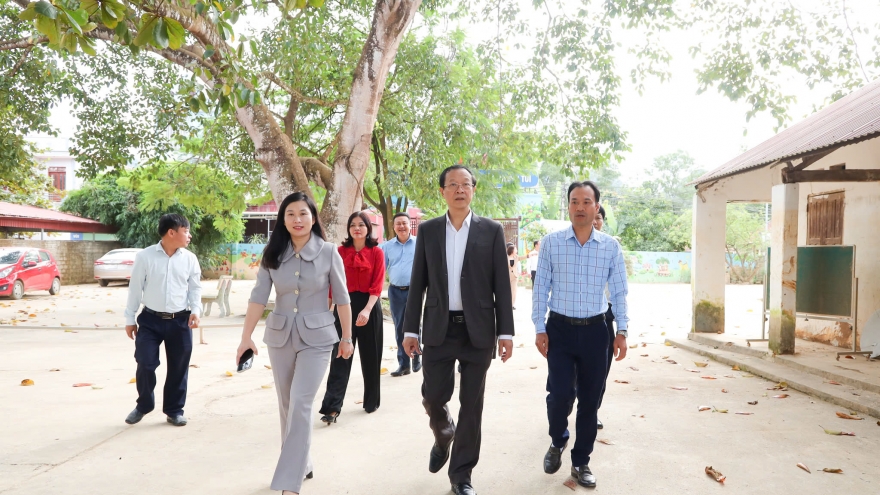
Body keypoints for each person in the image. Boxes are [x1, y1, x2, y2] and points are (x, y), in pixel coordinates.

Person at [401, 165, 515, 495]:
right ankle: (443, 433)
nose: (460, 189)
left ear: (473, 190)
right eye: (453, 184)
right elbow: (418, 282)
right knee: (433, 396)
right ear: (443, 192)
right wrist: (410, 330)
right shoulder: (429, 230)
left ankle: (461, 476)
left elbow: (501, 285)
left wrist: (505, 333)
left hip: (478, 331)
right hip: (439, 327)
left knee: (472, 405)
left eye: (466, 184)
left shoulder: (491, 230)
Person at [236, 192, 354, 495]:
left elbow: (342, 299)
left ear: (313, 218)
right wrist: (246, 337)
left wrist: (347, 337)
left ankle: (290, 482)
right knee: (287, 404)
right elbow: (258, 297)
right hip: (280, 335)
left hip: (318, 338)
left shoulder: (329, 252)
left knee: (301, 402)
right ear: (283, 220)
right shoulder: (272, 252)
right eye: (290, 214)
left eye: (303, 213)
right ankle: (303, 462)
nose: (297, 219)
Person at [533, 181, 629, 489]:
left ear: (596, 206)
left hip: (596, 332)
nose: (580, 207)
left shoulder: (610, 247)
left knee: (590, 400)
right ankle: (557, 439)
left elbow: (620, 292)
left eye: (586, 202)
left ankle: (581, 462)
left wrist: (622, 330)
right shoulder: (552, 243)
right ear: (568, 206)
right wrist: (539, 327)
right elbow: (540, 287)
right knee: (559, 395)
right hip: (559, 330)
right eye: (574, 201)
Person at [123, 213, 202, 427]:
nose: (189, 236)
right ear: (171, 232)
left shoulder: (190, 259)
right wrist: (130, 318)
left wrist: (196, 310)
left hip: (181, 321)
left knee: (179, 367)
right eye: (186, 231)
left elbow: (195, 288)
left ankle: (174, 411)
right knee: (145, 362)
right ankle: (144, 405)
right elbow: (135, 288)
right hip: (151, 320)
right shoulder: (145, 257)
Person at [319, 211, 386, 422]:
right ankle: (332, 407)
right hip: (343, 306)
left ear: (368, 228)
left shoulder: (376, 252)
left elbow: (377, 285)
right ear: (348, 229)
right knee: (340, 356)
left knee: (371, 356)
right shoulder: (340, 252)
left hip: (369, 306)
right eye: (353, 225)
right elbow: (332, 284)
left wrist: (367, 310)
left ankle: (371, 402)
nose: (357, 228)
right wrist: (326, 311)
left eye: (361, 225)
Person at [381, 212, 421, 377]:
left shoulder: (419, 243)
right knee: (399, 327)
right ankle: (403, 364)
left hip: (415, 290)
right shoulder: (387, 246)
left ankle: (416, 356)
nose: (401, 226)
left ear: (410, 225)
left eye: (404, 223)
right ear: (394, 226)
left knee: (415, 324)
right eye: (398, 223)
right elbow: (381, 269)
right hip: (395, 291)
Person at [593, 205, 616, 430]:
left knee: (601, 370)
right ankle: (568, 403)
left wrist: (623, 329)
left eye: (598, 217)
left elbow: (619, 287)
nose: (594, 221)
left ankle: (593, 411)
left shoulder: (611, 246)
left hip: (605, 316)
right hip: (573, 317)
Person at [507, 243, 519, 310]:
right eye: (515, 249)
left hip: (514, 276)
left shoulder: (516, 257)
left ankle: (512, 304)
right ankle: (506, 304)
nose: (516, 250)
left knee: (514, 291)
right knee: (507, 291)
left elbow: (522, 257)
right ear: (512, 250)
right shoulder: (505, 257)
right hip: (507, 276)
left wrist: (528, 255)